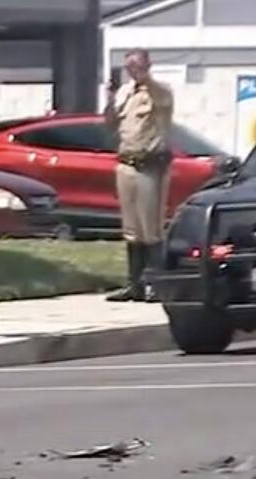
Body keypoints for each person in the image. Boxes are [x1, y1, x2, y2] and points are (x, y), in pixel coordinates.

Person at [103, 48, 174, 302]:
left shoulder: (160, 92)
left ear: (147, 66)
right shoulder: (125, 93)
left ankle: (155, 285)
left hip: (150, 166)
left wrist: (145, 79)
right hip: (126, 164)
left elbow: (156, 96)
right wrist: (110, 97)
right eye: (129, 66)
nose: (133, 70)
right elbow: (110, 123)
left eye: (138, 66)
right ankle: (134, 284)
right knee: (131, 229)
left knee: (151, 229)